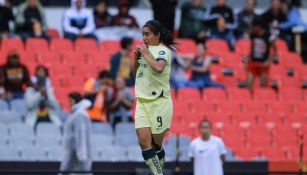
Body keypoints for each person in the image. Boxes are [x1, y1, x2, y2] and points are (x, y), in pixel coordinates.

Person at [134, 20, 175, 175]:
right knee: (144, 142)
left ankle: (159, 161)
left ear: (157, 35)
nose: (144, 38)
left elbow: (158, 68)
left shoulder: (163, 51)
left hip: (159, 102)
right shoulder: (142, 51)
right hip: (142, 101)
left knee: (155, 145)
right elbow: (137, 74)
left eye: (147, 34)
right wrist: (135, 59)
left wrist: (145, 53)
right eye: (142, 34)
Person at [60, 92, 92, 175]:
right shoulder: (74, 114)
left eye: (71, 101)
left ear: (76, 101)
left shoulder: (80, 115)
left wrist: (82, 154)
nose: (69, 103)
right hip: (72, 150)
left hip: (77, 153)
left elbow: (81, 135)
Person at [246, 17, 277, 89]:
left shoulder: (268, 35)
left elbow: (274, 49)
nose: (252, 28)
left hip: (263, 63)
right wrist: (249, 56)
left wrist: (269, 60)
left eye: (254, 27)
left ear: (259, 27)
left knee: (263, 86)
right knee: (248, 84)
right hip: (253, 62)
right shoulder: (253, 34)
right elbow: (252, 46)